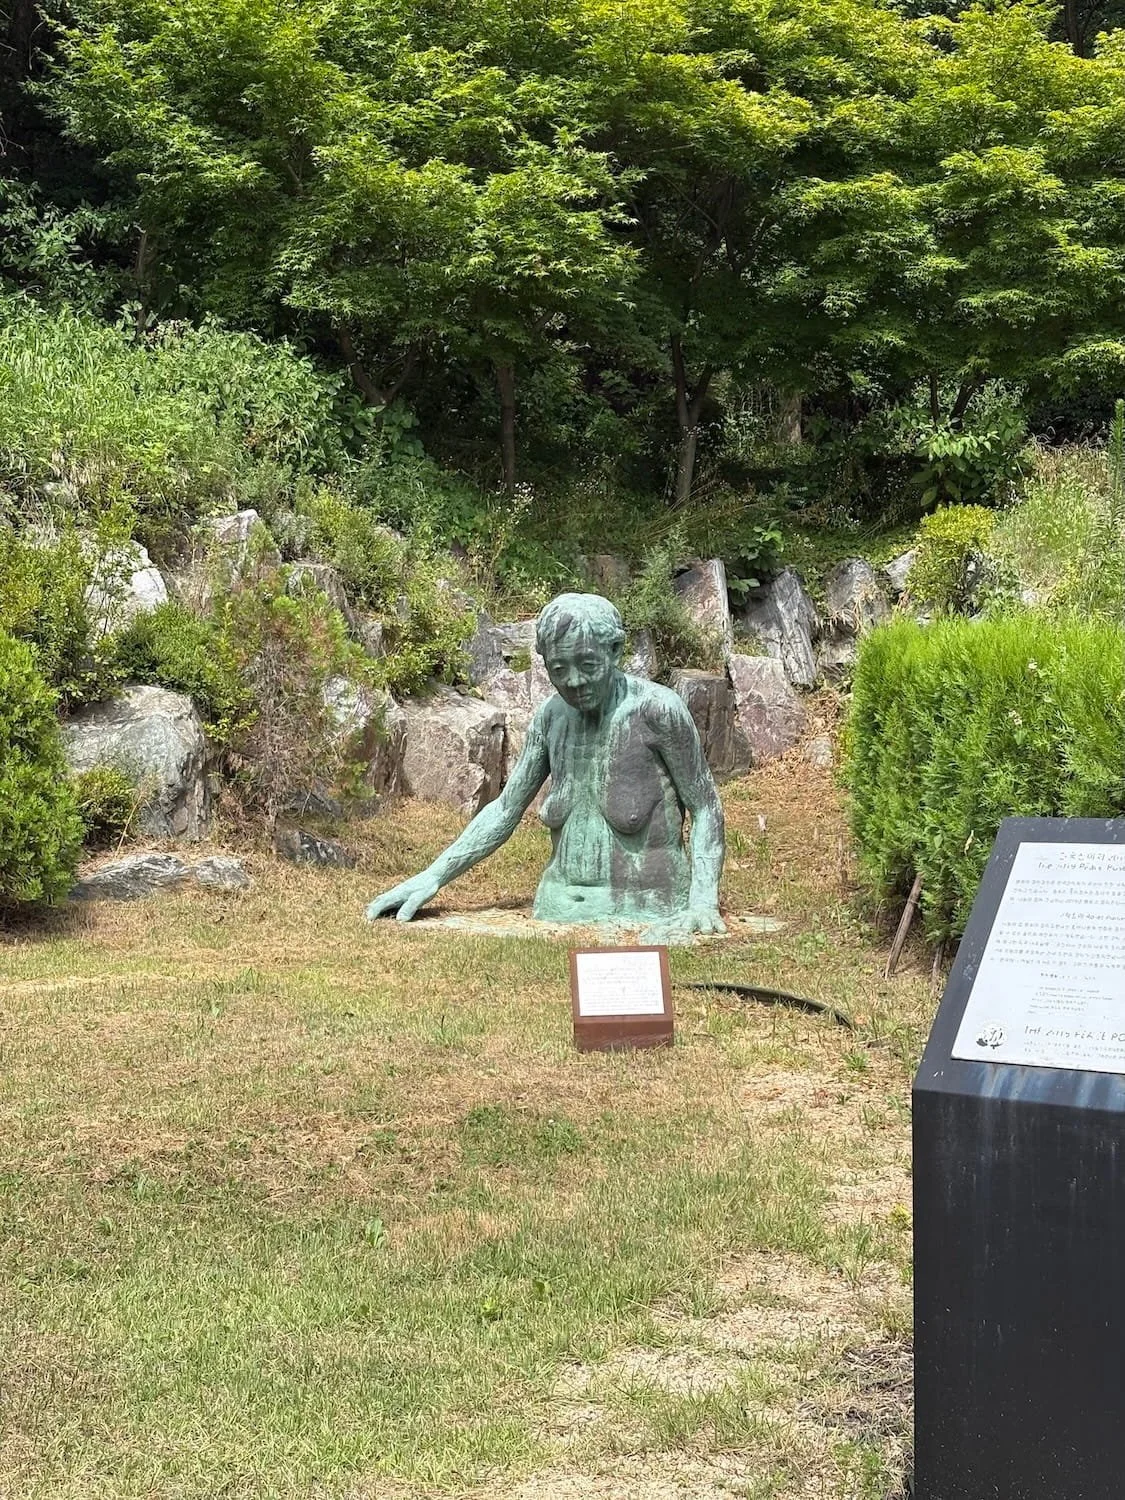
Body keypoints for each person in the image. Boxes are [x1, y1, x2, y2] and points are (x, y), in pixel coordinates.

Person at [365, 592, 725, 942]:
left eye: (587, 665)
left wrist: (703, 903)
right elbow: (506, 808)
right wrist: (433, 875)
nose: (574, 682)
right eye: (559, 668)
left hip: (649, 903)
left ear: (615, 651)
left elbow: (705, 806)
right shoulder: (551, 718)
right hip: (556, 905)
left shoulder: (658, 711)